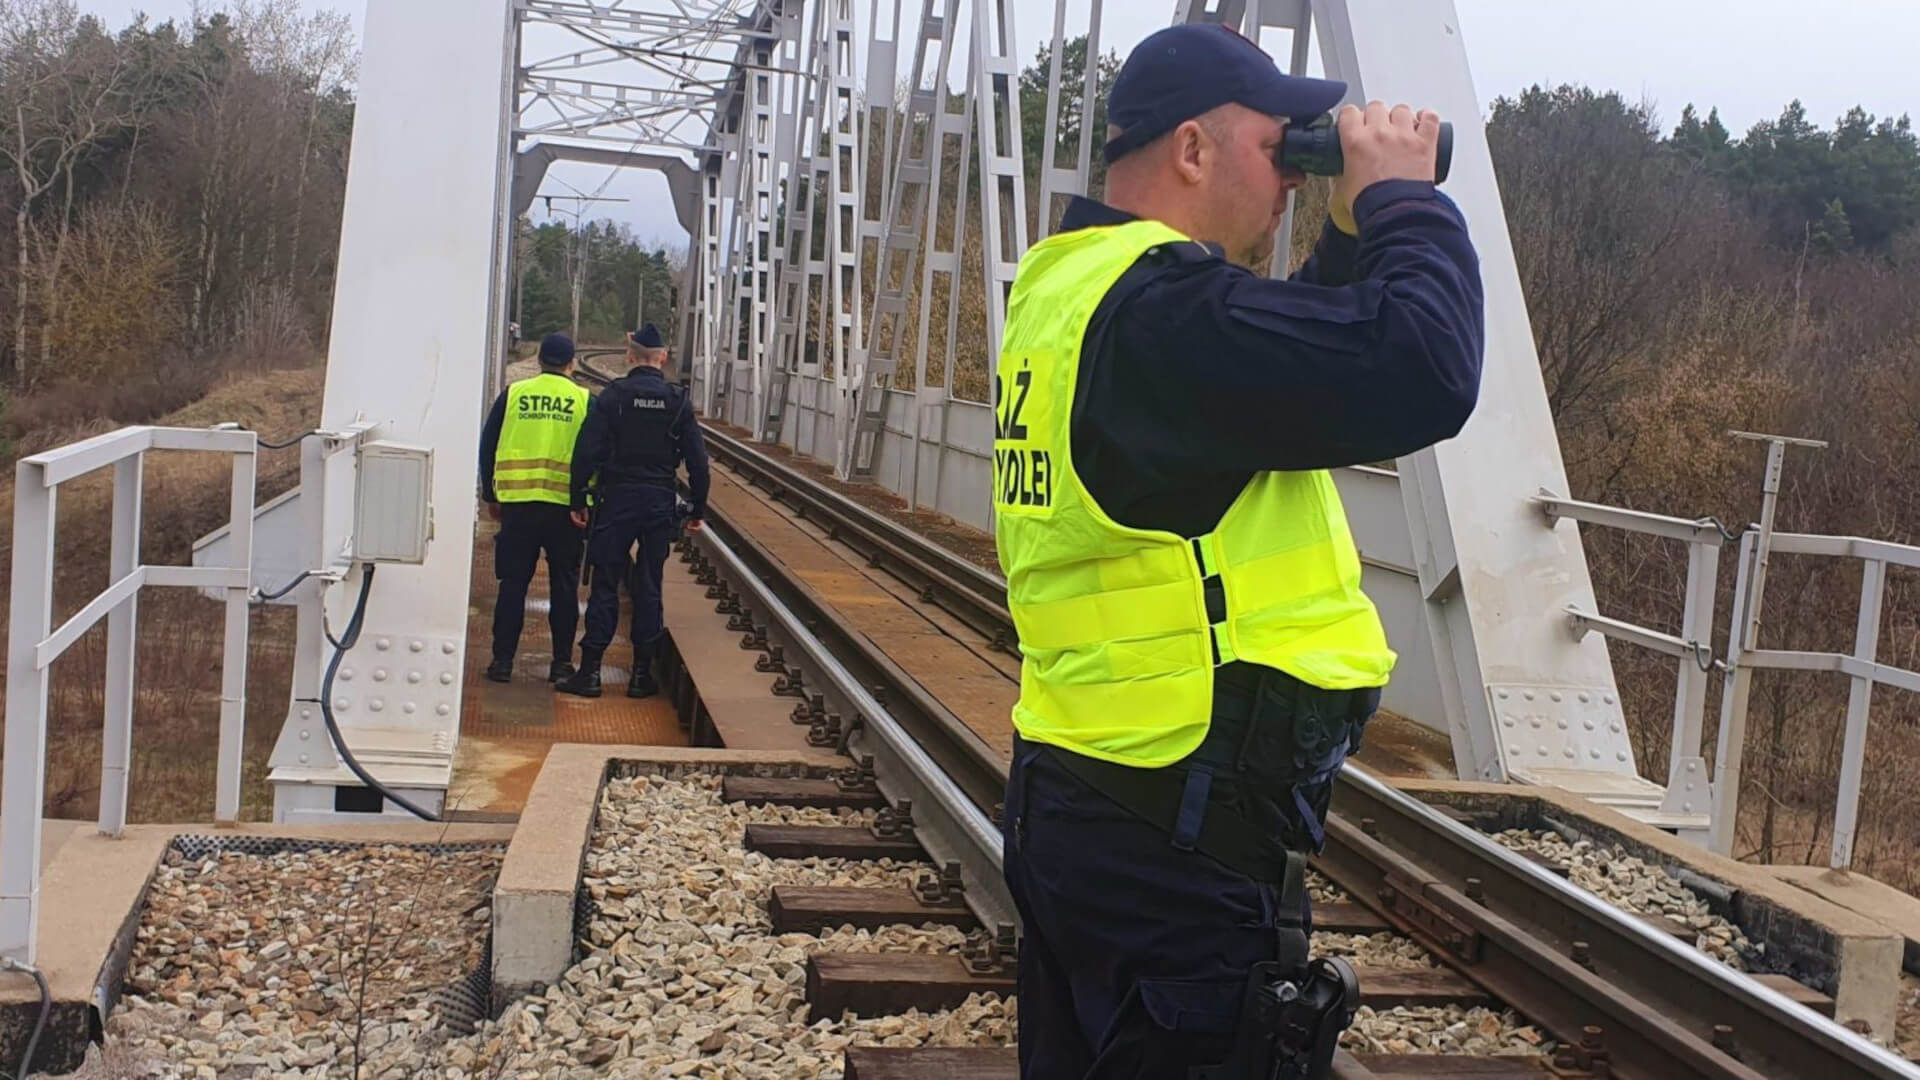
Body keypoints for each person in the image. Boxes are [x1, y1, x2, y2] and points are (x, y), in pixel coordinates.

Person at [992, 23, 1485, 1079]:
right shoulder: (1161, 312)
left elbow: (1261, 375)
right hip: (1174, 845)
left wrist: (1347, 243)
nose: (1293, 177)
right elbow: (1423, 370)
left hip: (1085, 799)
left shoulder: (1077, 291)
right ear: (1193, 149)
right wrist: (1405, 202)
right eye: (1282, 146)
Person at [557, 323, 710, 699]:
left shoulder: (615, 396)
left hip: (616, 500)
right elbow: (698, 463)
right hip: (658, 503)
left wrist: (578, 499)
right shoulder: (677, 402)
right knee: (650, 585)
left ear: (630, 356)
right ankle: (641, 676)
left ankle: (590, 672)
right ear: (663, 358)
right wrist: (697, 508)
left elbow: (586, 451)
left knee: (605, 583)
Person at [478, 331, 590, 684]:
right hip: (565, 510)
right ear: (571, 364)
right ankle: (560, 664)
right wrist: (586, 501)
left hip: (518, 507)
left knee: (512, 585)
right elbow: (595, 453)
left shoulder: (513, 394)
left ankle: (502, 662)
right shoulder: (585, 400)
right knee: (564, 587)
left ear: (539, 360)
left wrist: (490, 496)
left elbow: (489, 445)